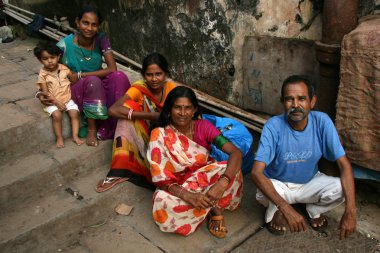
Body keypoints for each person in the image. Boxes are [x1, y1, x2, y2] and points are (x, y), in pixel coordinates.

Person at [251, 75, 356, 239]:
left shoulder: (322, 122)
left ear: (312, 102)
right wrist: (286, 208)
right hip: (278, 185)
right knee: (263, 189)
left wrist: (350, 211)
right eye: (289, 99)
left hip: (309, 183)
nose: (295, 105)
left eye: (301, 99)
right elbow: (256, 172)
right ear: (282, 102)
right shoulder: (273, 126)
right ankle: (278, 209)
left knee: (342, 188)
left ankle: (313, 209)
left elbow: (344, 165)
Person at [147, 86, 243, 237]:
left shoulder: (203, 127)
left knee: (232, 170)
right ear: (169, 109)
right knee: (162, 202)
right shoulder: (159, 134)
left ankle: (214, 209)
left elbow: (236, 153)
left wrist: (222, 183)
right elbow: (160, 177)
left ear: (194, 110)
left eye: (188, 108)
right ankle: (207, 206)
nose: (183, 113)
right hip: (177, 187)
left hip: (205, 180)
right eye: (178, 107)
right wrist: (188, 196)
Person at [37, 5, 130, 146]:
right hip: (78, 89)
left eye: (94, 24)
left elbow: (112, 68)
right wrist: (41, 93)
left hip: (93, 81)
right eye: (85, 23)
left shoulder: (100, 39)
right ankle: (92, 129)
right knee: (92, 81)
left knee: (119, 76)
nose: (89, 28)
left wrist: (81, 74)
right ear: (77, 22)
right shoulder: (64, 45)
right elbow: (47, 70)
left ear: (98, 26)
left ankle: (114, 123)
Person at [95, 52, 177, 192]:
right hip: (146, 134)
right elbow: (113, 110)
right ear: (143, 75)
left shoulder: (172, 89)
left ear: (166, 74)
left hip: (169, 136)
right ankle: (120, 169)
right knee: (126, 111)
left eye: (158, 74)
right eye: (149, 75)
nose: (154, 79)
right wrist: (150, 115)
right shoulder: (139, 88)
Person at [34, 41, 83, 148]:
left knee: (74, 113)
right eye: (45, 59)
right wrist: (57, 102)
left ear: (58, 56)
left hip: (67, 98)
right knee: (57, 115)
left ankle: (75, 136)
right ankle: (59, 138)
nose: (50, 61)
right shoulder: (43, 74)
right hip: (52, 101)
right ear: (40, 60)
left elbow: (73, 78)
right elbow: (46, 93)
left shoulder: (64, 68)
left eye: (52, 57)